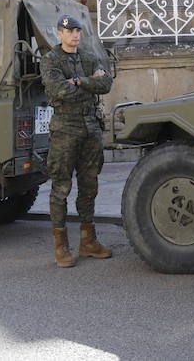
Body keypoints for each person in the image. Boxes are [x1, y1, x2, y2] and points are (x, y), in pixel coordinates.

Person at [42, 14, 113, 268]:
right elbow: (58, 90)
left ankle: (88, 241)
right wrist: (88, 83)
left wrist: (80, 81)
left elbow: (106, 83)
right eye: (69, 31)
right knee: (61, 187)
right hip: (65, 129)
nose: (74, 34)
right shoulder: (51, 59)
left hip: (90, 127)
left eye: (77, 30)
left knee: (89, 185)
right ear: (59, 33)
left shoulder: (88, 56)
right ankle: (61, 246)